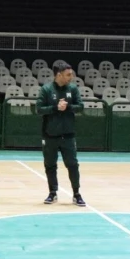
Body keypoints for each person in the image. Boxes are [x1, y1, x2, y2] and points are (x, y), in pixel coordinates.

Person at [37, 61, 85, 207]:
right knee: (50, 165)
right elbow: (39, 109)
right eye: (68, 75)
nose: (71, 77)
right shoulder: (46, 89)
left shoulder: (73, 89)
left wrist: (68, 106)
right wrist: (55, 108)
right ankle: (52, 193)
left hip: (68, 135)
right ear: (59, 74)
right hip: (50, 135)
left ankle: (76, 194)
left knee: (72, 165)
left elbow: (80, 106)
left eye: (71, 74)